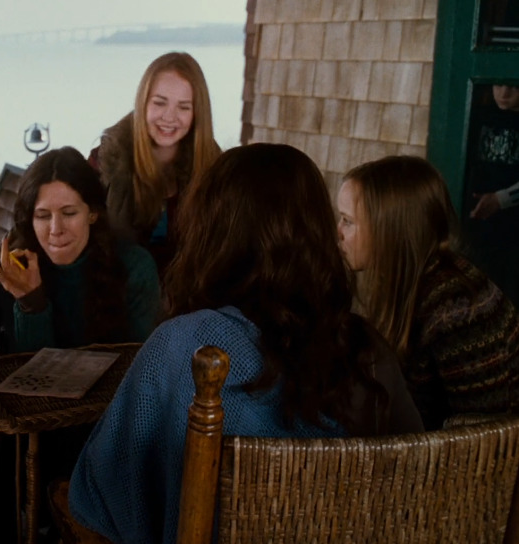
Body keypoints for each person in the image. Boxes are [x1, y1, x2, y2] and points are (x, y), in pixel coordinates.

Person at [70, 144, 423, 544]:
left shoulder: (186, 345)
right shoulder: (369, 348)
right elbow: (414, 473)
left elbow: (100, 497)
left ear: (213, 229)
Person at [338, 155, 519, 430]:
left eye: (347, 221)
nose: (337, 232)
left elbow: (481, 439)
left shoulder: (457, 309)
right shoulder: (411, 282)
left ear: (389, 229)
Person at [0, 145, 161, 353]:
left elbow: (141, 362)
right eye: (42, 216)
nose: (56, 229)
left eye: (69, 213)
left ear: (93, 213)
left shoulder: (135, 267)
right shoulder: (16, 270)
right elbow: (26, 374)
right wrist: (31, 302)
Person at [88, 51, 221, 275]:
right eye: (160, 103)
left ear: (197, 113)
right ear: (143, 103)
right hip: (120, 292)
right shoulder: (105, 161)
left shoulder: (214, 166)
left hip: (190, 297)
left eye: (184, 107)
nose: (169, 117)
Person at [466, 83, 519, 306]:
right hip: (476, 228)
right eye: (498, 85)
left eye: (513, 86)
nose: (504, 93)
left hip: (513, 234)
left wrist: (501, 199)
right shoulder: (477, 115)